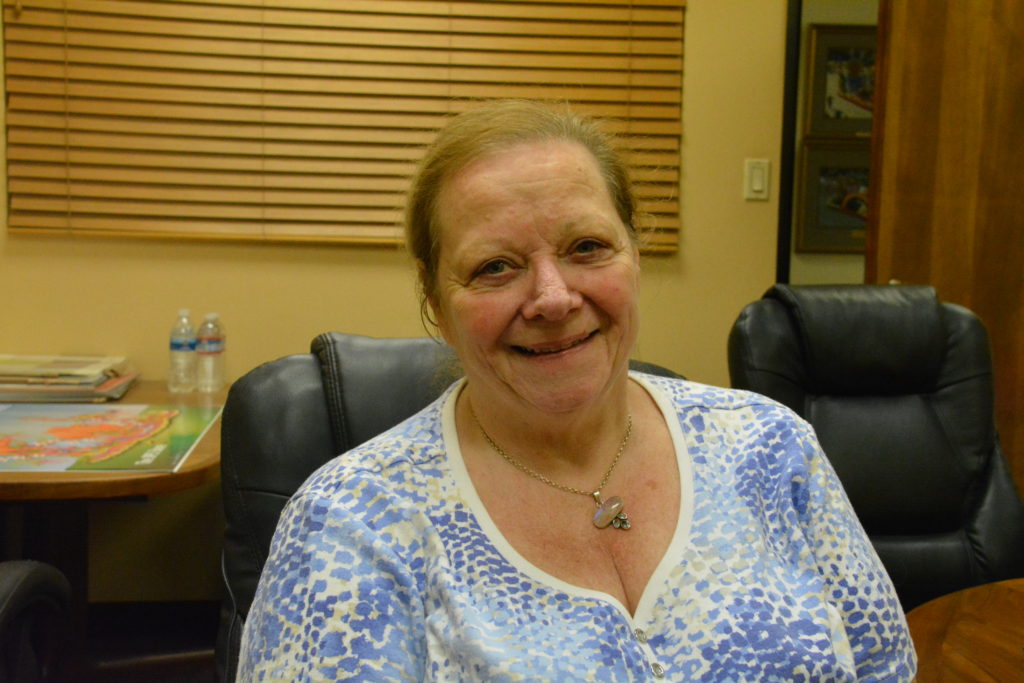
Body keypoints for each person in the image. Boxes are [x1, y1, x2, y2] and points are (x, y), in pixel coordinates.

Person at [237, 99, 916, 681]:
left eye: (587, 247)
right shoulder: (351, 524)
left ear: (635, 252)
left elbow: (887, 666)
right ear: (437, 304)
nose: (554, 297)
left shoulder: (771, 450)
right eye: (495, 266)